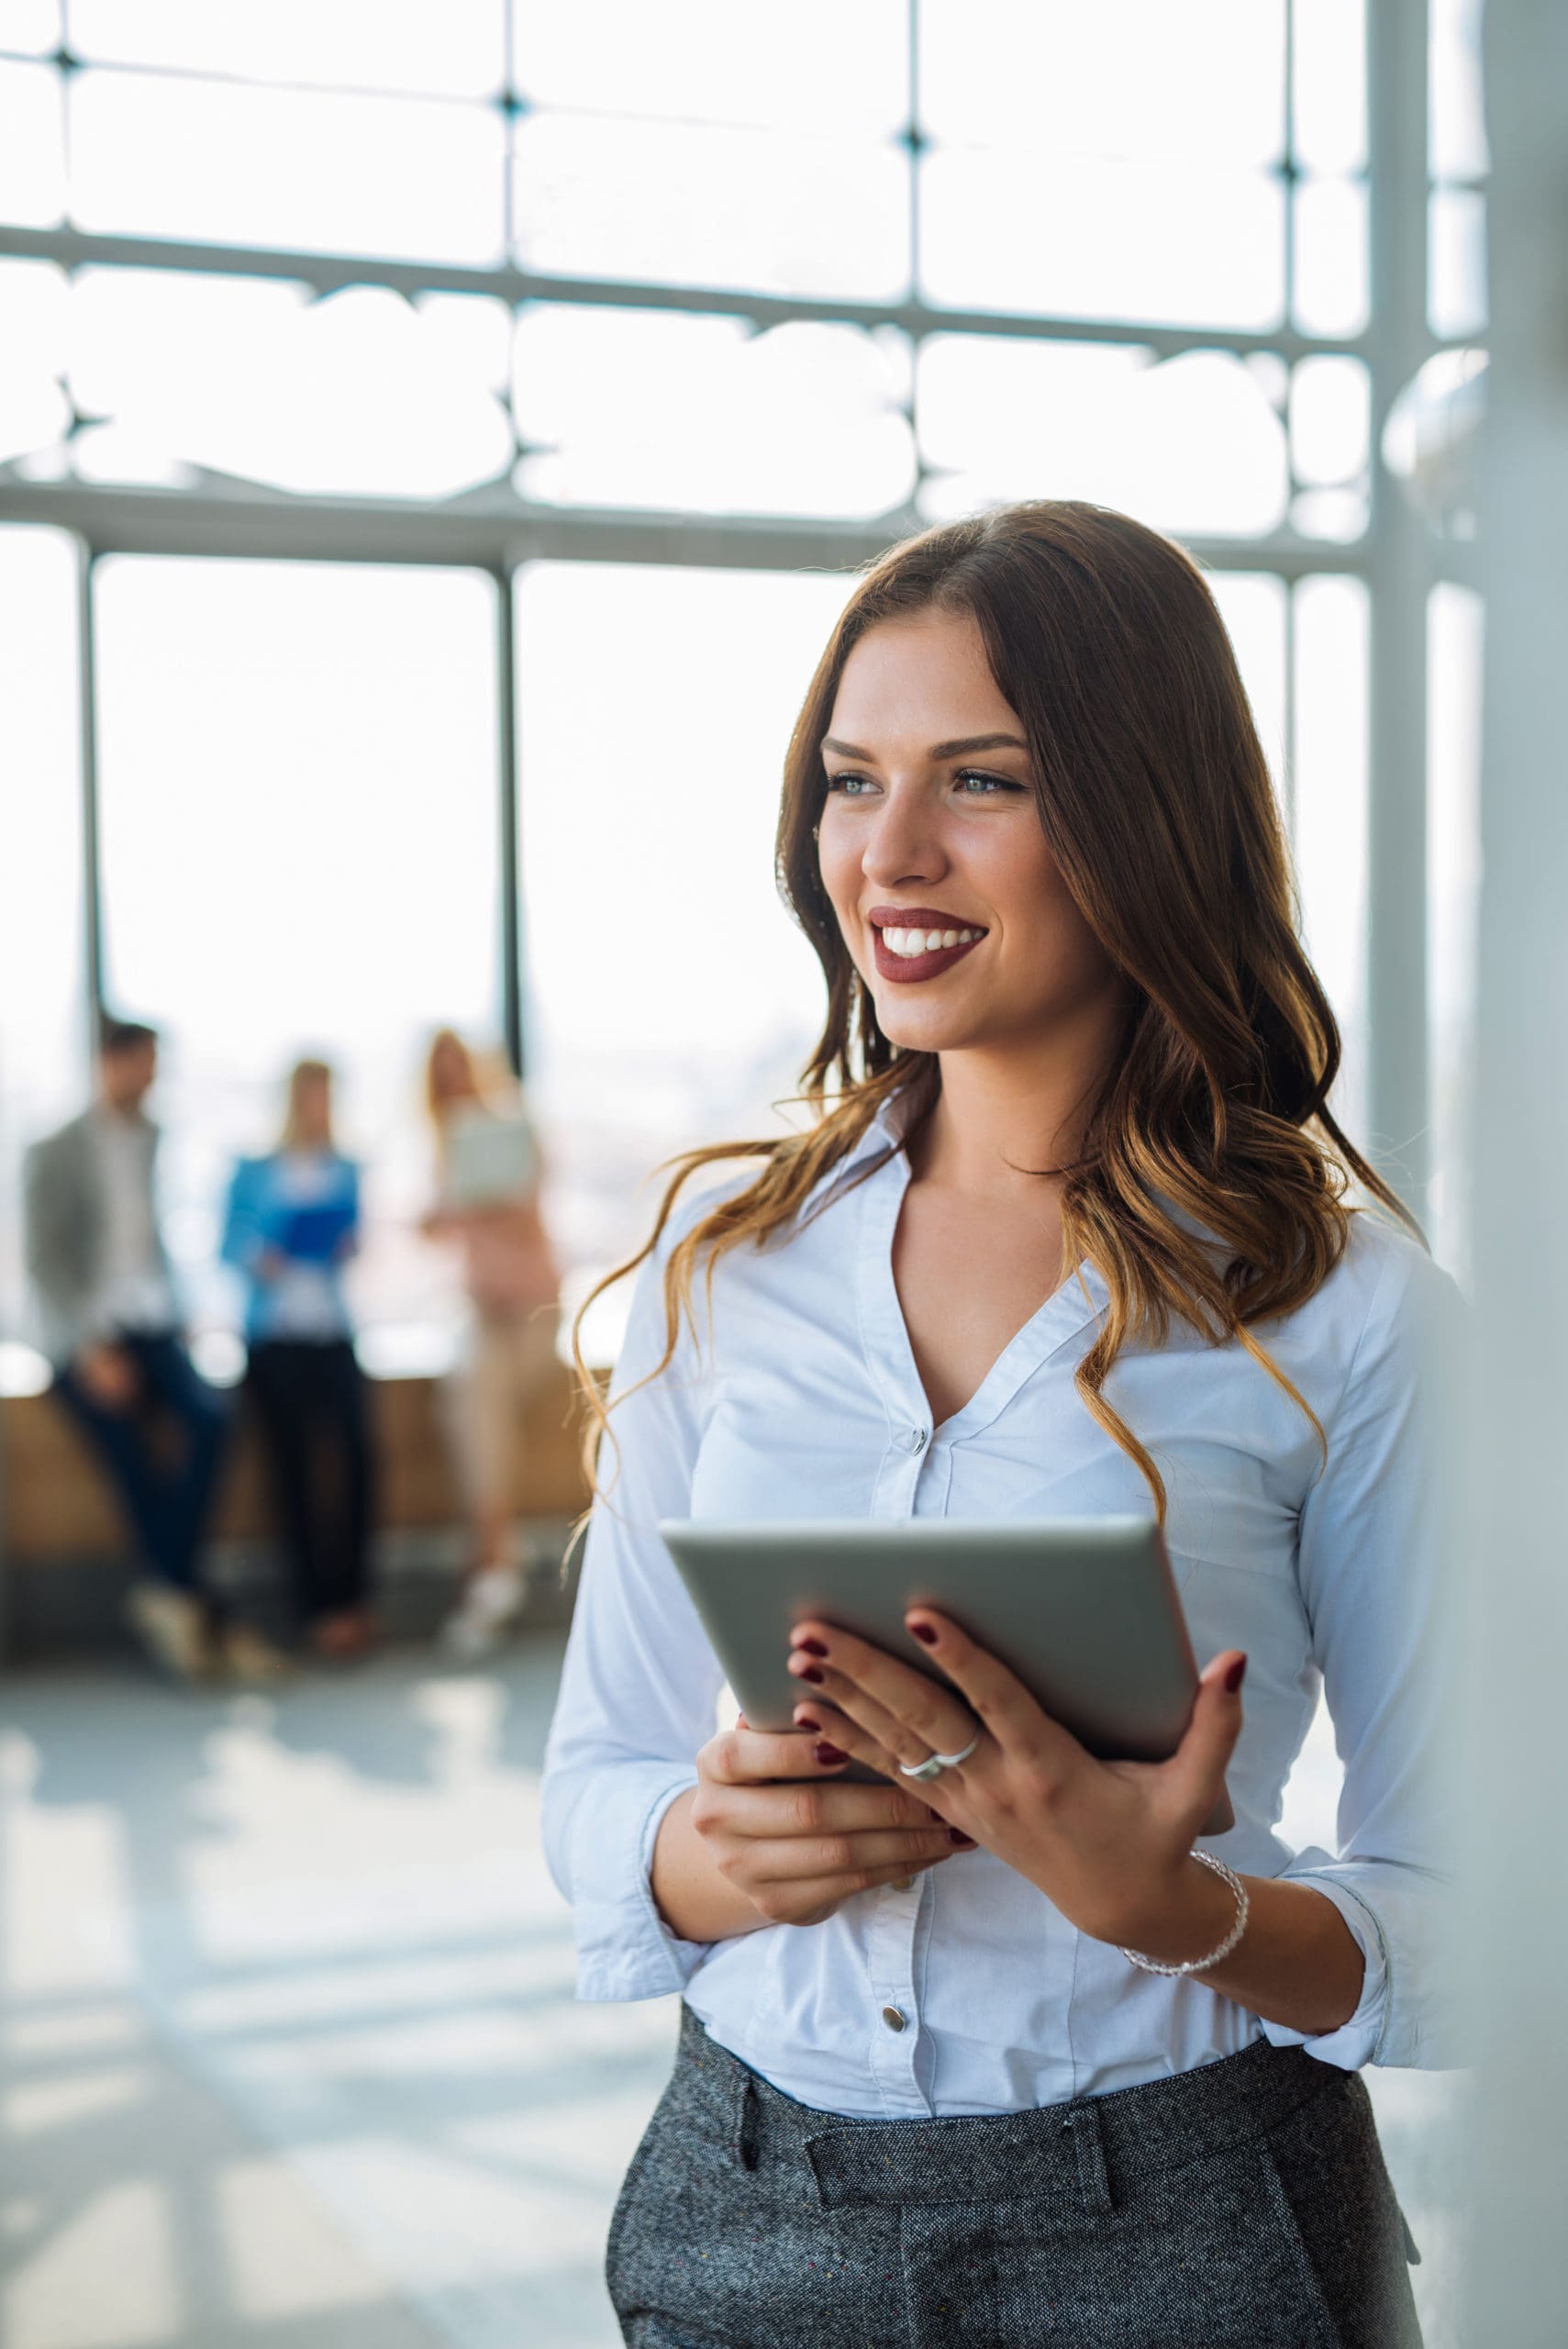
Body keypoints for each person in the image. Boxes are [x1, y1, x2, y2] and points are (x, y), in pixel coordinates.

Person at [542, 503, 1455, 2348]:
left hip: (1187, 2227)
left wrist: (1182, 1907)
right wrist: (712, 1855)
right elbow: (594, 1783)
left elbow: (1477, 1910)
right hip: (742, 2206)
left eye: (979, 779)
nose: (884, 852)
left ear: (1136, 811)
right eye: (845, 781)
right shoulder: (725, 1274)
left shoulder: (1345, 1311)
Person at [23, 1017, 279, 1683]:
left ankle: (168, 1593)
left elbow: (151, 1239)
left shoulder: (153, 1140)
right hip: (86, 1334)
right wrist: (87, 1347)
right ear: (111, 1063)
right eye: (144, 1064)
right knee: (132, 1456)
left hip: (154, 1319)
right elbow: (43, 1261)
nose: (153, 1079)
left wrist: (186, 1314)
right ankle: (196, 1602)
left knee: (212, 1418)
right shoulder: (53, 1148)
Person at [222, 1059, 377, 1661]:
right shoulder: (253, 1169)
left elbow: (355, 1241)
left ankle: (353, 1600)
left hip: (330, 1330)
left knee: (358, 1459)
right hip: (274, 1336)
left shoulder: (346, 1167)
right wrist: (260, 1257)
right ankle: (313, 1609)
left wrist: (345, 1244)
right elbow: (227, 1245)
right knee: (291, 1473)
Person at [421, 1029, 562, 1656]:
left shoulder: (514, 1127)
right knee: (472, 1397)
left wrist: (465, 1211)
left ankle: (489, 1562)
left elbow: (526, 1214)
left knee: (479, 1401)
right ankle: (496, 1561)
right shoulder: (442, 1145)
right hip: (483, 1310)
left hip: (533, 1309)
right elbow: (432, 1227)